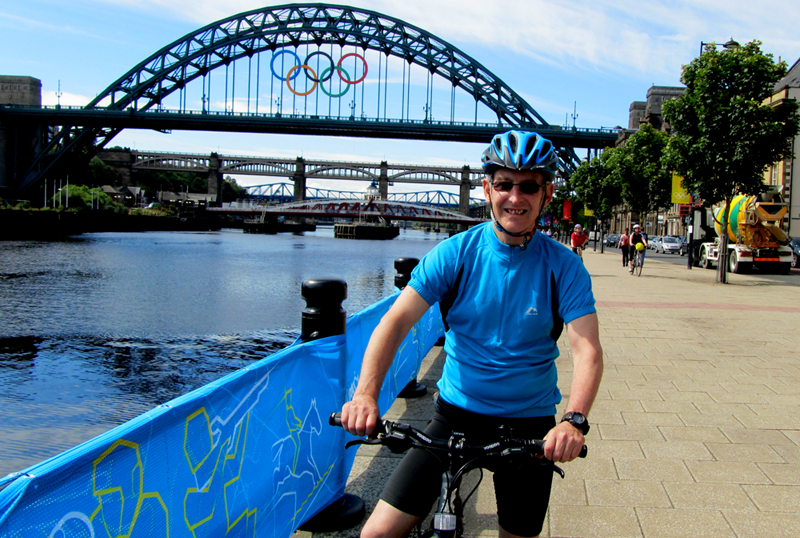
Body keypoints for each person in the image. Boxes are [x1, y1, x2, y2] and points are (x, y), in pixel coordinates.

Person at [340, 130, 604, 538]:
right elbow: (393, 324)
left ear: (546, 195)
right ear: (487, 189)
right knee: (377, 533)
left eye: (529, 186)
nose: (515, 197)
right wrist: (364, 396)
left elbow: (587, 350)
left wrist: (573, 421)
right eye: (504, 184)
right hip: (456, 415)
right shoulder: (456, 254)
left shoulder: (564, 267)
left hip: (530, 423)